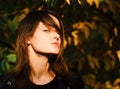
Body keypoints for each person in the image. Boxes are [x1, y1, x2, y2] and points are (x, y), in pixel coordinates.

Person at [0, 10, 84, 89]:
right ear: (27, 38)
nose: (57, 36)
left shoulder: (71, 81)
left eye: (58, 32)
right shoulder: (8, 83)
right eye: (46, 30)